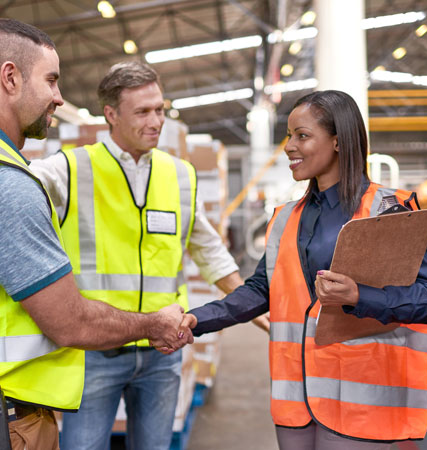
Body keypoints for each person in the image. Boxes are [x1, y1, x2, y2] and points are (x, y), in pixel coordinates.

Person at [0, 19, 191, 450]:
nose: (59, 96)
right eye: (51, 80)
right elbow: (70, 322)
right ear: (10, 77)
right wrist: (154, 324)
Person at [179, 90, 427, 450]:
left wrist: (358, 296)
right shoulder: (286, 217)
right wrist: (198, 320)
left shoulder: (387, 209)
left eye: (302, 136)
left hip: (359, 404)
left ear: (338, 142)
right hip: (296, 398)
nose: (290, 146)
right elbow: (260, 289)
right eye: (289, 135)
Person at [30, 60, 265, 450]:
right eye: (142, 112)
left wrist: (259, 311)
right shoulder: (72, 169)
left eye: (160, 110)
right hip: (94, 352)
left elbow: (209, 251)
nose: (156, 121)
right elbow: (13, 188)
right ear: (111, 114)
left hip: (163, 351)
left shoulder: (180, 175)